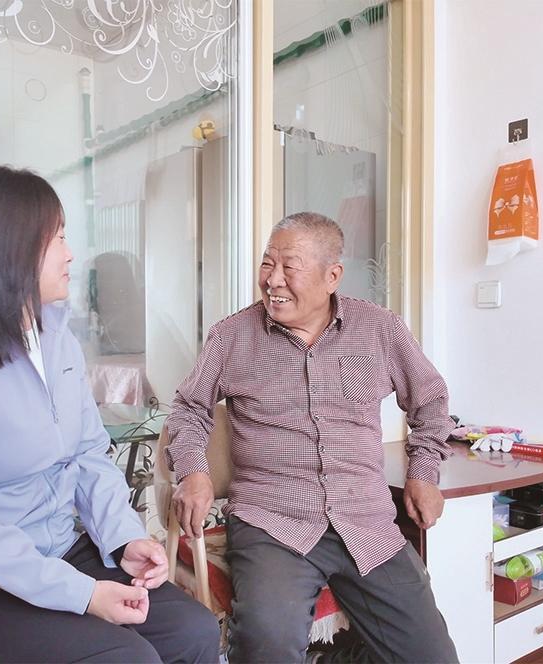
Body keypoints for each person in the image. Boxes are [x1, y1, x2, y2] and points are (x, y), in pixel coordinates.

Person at [0, 166, 220, 663]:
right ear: (9, 248)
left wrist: (124, 538)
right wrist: (82, 594)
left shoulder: (54, 337)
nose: (70, 253)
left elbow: (87, 454)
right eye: (57, 237)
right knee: (126, 658)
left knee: (194, 630)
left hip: (51, 551)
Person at [165, 212, 459, 663]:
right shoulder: (232, 336)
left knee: (432, 657)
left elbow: (431, 402)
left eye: (289, 267)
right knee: (266, 643)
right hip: (272, 522)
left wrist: (424, 473)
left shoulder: (379, 329)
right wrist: (194, 473)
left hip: (364, 519)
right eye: (268, 263)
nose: (273, 280)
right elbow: (188, 409)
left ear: (332, 276)